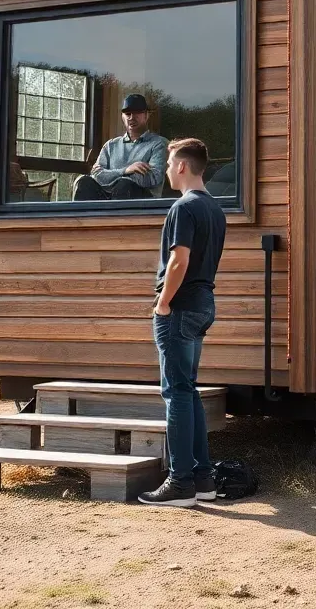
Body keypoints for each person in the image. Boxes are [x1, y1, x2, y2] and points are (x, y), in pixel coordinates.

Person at [138, 137, 227, 508]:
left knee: (176, 393)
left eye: (171, 162)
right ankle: (203, 479)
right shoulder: (215, 210)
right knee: (188, 391)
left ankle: (179, 484)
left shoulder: (183, 207)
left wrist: (162, 303)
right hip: (204, 303)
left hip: (180, 307)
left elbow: (179, 261)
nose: (168, 170)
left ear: (182, 166)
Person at [72, 93, 167, 202]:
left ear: (146, 115)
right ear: (122, 117)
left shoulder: (159, 144)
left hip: (142, 204)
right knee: (83, 182)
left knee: (124, 184)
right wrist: (126, 170)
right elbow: (97, 175)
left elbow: (153, 178)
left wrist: (110, 175)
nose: (132, 117)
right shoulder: (111, 145)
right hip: (107, 199)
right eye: (128, 113)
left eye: (137, 113)